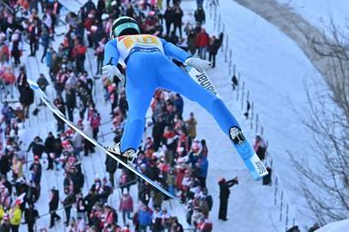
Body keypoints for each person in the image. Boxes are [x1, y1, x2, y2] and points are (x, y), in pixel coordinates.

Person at [103, 16, 261, 180]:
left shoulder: (117, 40)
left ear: (115, 32)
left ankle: (128, 149)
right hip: (163, 63)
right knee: (204, 96)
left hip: (138, 66)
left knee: (137, 113)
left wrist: (110, 64)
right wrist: (188, 59)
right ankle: (232, 128)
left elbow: (110, 52)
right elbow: (172, 48)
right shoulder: (154, 38)